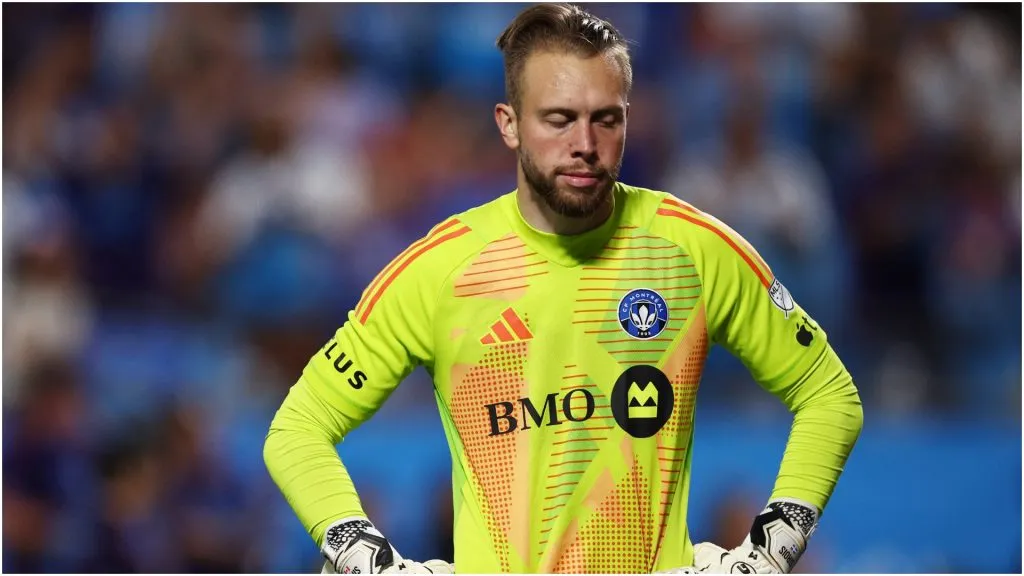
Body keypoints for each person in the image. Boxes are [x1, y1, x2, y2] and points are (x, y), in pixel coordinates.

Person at [264, 3, 863, 574]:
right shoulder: (442, 269)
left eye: (607, 118)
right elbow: (298, 429)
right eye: (558, 119)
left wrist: (772, 548)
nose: (585, 143)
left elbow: (830, 395)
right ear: (509, 125)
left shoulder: (694, 250)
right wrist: (362, 552)